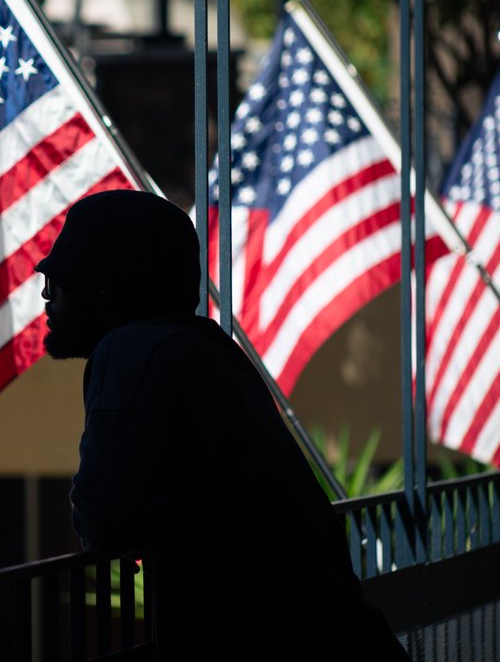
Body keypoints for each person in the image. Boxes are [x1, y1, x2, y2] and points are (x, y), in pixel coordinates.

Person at [36, 189, 409, 661]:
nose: (47, 294)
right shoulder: (205, 348)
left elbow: (105, 515)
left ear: (104, 288)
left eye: (60, 278)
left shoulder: (132, 353)